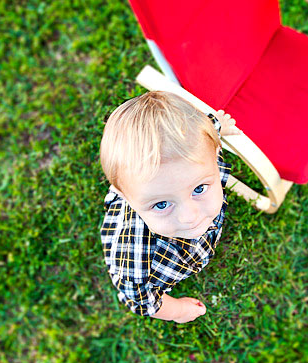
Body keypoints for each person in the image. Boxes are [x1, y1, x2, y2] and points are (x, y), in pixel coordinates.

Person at [99, 91, 240, 323]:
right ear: (125, 197)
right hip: (164, 259)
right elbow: (139, 298)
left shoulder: (198, 153)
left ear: (215, 155)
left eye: (199, 189)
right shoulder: (133, 255)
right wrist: (176, 311)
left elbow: (201, 133)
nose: (189, 216)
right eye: (161, 204)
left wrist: (217, 126)